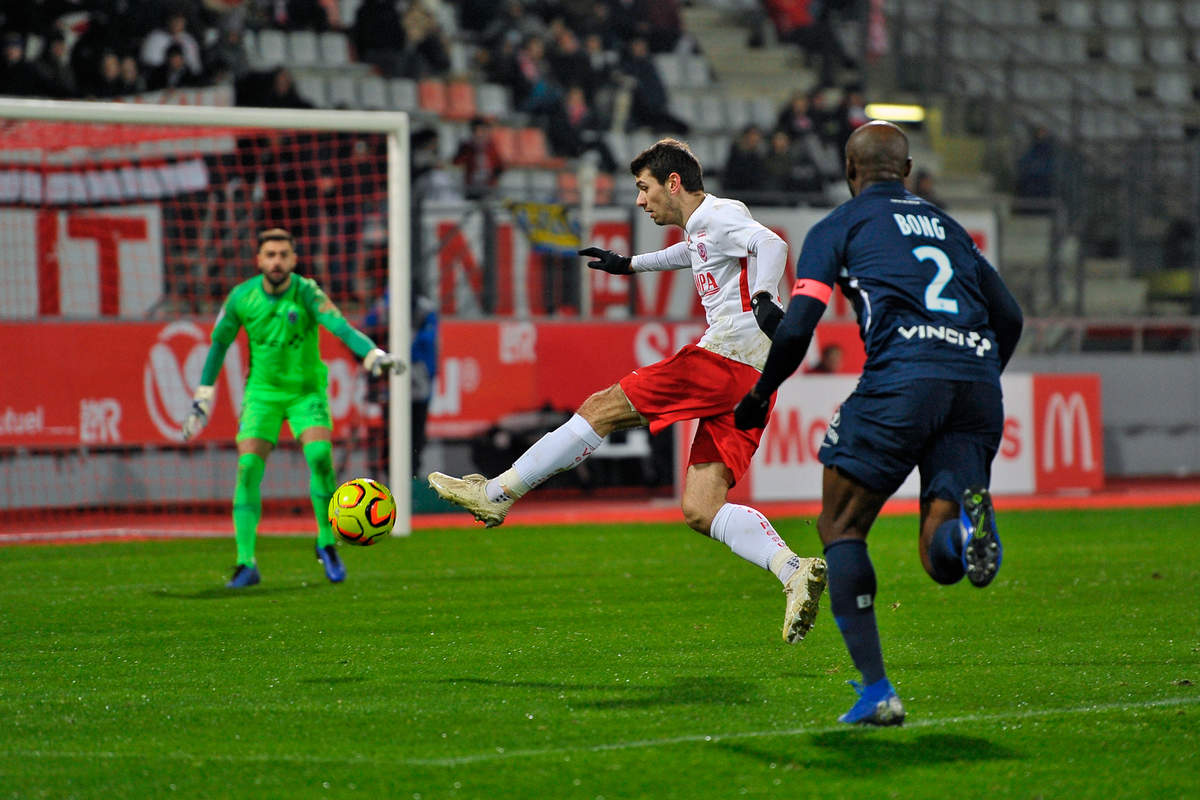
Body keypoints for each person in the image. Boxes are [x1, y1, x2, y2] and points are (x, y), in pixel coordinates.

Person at [429, 139, 828, 645]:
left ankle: (496, 493)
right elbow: (694, 251)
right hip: (754, 379)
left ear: (673, 183)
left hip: (725, 358)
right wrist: (629, 265)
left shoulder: (720, 217)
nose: (641, 201)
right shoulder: (713, 222)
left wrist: (767, 296)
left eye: (644, 188)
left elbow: (772, 245)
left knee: (600, 408)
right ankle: (793, 570)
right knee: (701, 509)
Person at [733, 121, 1023, 725]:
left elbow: (799, 324)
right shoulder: (950, 228)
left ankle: (876, 692)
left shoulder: (839, 226)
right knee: (938, 556)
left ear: (849, 170)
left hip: (903, 378)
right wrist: (975, 370)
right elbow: (1010, 316)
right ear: (909, 172)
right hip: (976, 382)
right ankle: (967, 535)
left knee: (840, 523)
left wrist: (762, 392)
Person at [181, 228, 406, 588]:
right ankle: (245, 562)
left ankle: (327, 541)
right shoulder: (242, 297)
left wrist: (372, 355)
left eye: (283, 254)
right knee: (249, 467)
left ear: (294, 259)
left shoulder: (307, 292)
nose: (277, 261)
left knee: (319, 456)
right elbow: (219, 344)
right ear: (259, 260)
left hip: (306, 391)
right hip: (262, 393)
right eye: (270, 254)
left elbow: (341, 327)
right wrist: (203, 396)